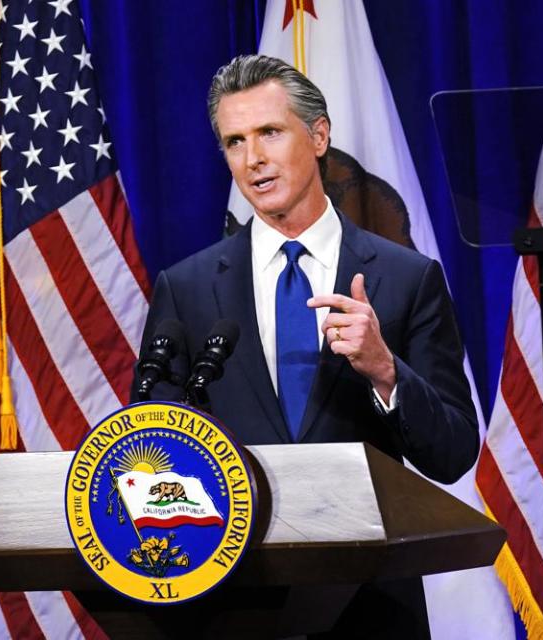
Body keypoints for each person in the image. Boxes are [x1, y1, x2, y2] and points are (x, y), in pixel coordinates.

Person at [132, 54, 478, 638]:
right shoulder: (186, 288)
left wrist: (385, 372)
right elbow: (153, 446)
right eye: (235, 141)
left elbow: (453, 452)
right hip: (232, 598)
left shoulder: (405, 278)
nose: (253, 159)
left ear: (318, 136)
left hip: (370, 603)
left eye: (270, 132)